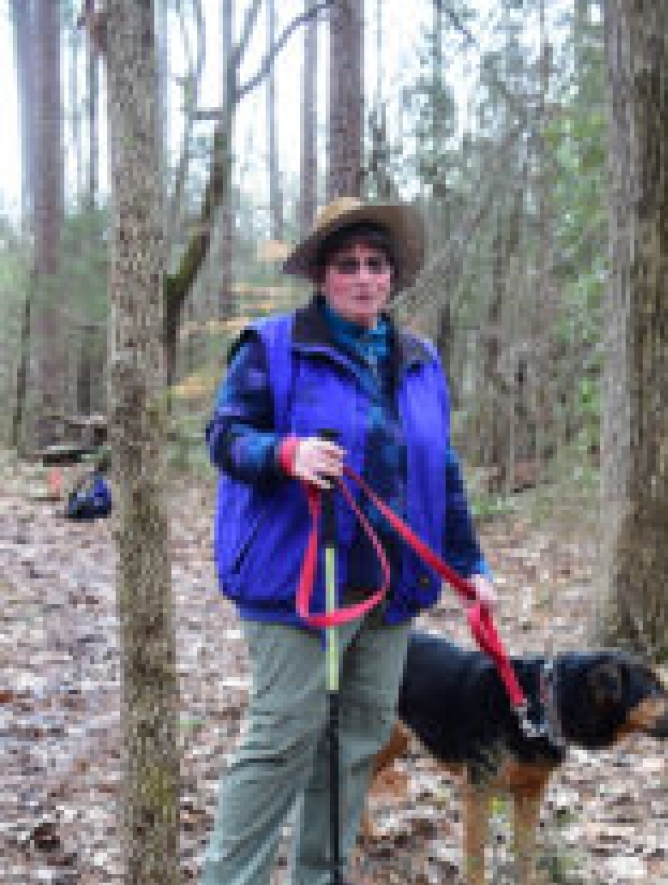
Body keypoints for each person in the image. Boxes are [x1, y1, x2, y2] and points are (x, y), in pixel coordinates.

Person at [202, 197, 496, 885]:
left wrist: (469, 563)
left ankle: (320, 874)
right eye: (347, 266)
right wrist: (285, 454)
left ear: (391, 277)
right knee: (282, 736)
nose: (364, 277)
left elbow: (441, 470)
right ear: (322, 277)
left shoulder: (420, 360)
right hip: (295, 579)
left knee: (357, 742)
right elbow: (224, 436)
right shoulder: (273, 346)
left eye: (376, 264)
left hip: (389, 585)